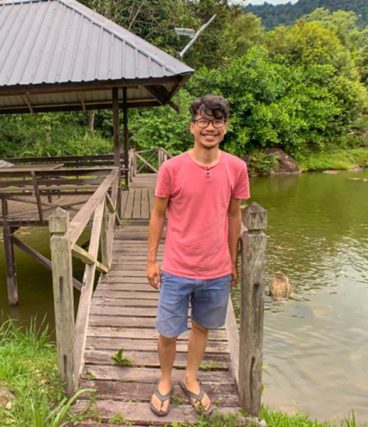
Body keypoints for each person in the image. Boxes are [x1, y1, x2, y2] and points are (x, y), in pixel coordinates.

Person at [145, 94, 249, 416]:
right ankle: (165, 380)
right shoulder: (171, 168)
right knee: (168, 330)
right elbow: (158, 214)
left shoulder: (236, 168)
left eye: (217, 121)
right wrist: (151, 260)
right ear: (192, 126)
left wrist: (232, 261)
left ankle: (190, 377)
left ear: (225, 127)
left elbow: (234, 216)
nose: (210, 127)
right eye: (203, 120)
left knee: (202, 326)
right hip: (176, 266)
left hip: (216, 269)